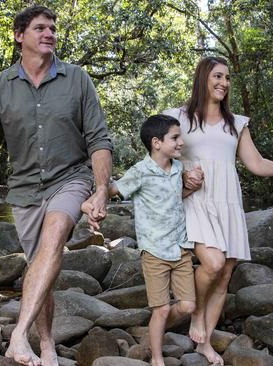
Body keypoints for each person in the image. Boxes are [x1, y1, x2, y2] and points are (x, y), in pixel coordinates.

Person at [0, 5, 113, 366]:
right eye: (40, 28)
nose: (49, 34)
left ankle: (17, 336)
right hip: (25, 189)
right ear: (19, 36)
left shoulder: (77, 79)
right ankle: (45, 344)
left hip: (71, 178)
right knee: (39, 267)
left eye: (52, 29)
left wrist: (100, 189)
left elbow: (99, 141)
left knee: (54, 236)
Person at [163, 56, 273, 365]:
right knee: (213, 263)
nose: (224, 83)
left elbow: (256, 164)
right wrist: (180, 177)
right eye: (218, 76)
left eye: (228, 78)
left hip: (228, 201)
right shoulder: (178, 117)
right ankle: (194, 314)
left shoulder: (237, 123)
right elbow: (159, 158)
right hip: (195, 198)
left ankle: (204, 341)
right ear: (203, 78)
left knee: (225, 274)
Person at [83, 114, 200, 366]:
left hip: (180, 248)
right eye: (175, 138)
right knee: (161, 308)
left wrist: (194, 187)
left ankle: (152, 331)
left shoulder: (178, 167)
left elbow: (175, 196)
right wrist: (94, 204)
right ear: (156, 143)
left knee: (188, 306)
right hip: (155, 251)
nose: (181, 142)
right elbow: (111, 191)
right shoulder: (140, 172)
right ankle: (157, 358)